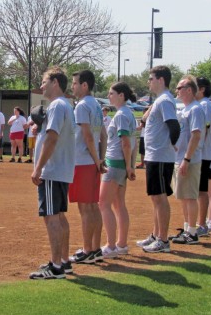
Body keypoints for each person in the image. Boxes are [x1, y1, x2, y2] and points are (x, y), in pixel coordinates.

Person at [30, 67, 76, 280]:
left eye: (44, 81)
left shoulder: (57, 105)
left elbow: (52, 138)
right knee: (58, 215)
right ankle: (64, 262)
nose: (41, 86)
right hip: (61, 169)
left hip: (52, 169)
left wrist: (38, 168)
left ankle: (56, 266)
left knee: (51, 217)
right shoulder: (65, 105)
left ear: (55, 82)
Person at [136, 65, 180, 253]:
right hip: (156, 156)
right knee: (155, 197)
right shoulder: (160, 100)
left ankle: (163, 240)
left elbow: (174, 127)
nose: (148, 82)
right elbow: (147, 120)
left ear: (161, 80)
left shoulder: (165, 101)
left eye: (151, 78)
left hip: (161, 156)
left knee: (160, 198)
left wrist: (168, 147)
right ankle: (156, 235)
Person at [67, 70, 108, 263]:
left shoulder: (82, 106)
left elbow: (88, 136)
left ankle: (86, 251)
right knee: (93, 206)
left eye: (75, 83)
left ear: (84, 85)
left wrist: (96, 158)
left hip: (83, 161)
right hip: (92, 161)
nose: (72, 86)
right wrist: (100, 159)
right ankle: (95, 248)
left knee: (85, 209)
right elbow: (104, 136)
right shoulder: (97, 105)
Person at [98, 81, 136, 257]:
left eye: (111, 93)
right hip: (121, 165)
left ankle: (111, 246)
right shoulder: (128, 113)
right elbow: (131, 144)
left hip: (115, 164)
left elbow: (126, 143)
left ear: (121, 95)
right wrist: (129, 166)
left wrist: (128, 166)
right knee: (119, 205)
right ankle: (121, 245)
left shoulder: (121, 115)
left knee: (103, 204)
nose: (108, 96)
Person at [171, 76, 204, 245]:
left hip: (189, 159)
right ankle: (186, 229)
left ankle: (192, 232)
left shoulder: (195, 109)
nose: (177, 91)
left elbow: (196, 134)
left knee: (190, 196)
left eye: (179, 88)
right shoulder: (185, 109)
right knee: (183, 196)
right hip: (181, 157)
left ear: (189, 90)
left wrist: (187, 158)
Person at [195, 76, 211, 236]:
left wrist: (198, 147)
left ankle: (201, 224)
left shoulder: (205, 105)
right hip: (202, 152)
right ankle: (200, 223)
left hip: (203, 153)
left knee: (201, 190)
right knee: (199, 189)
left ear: (201, 89)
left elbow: (205, 128)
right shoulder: (203, 105)